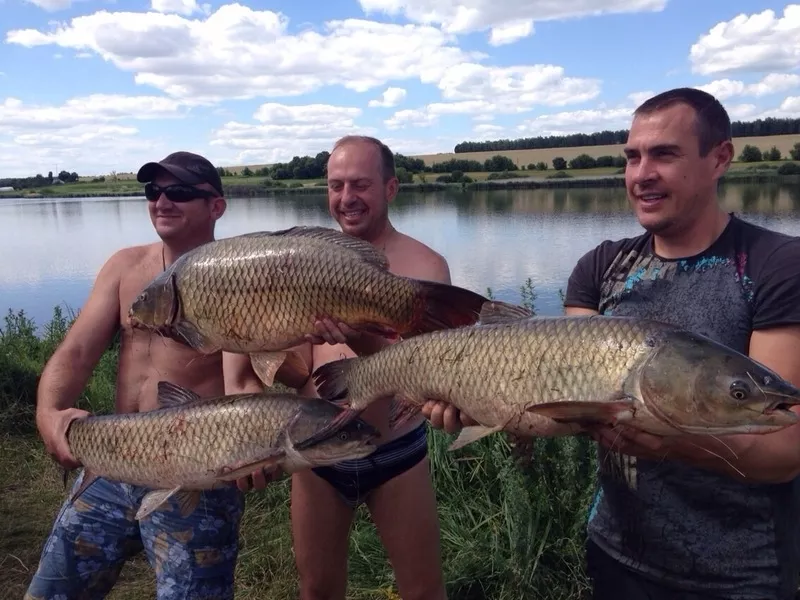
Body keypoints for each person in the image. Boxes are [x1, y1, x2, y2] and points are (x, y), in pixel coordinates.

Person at [423, 87, 800, 600]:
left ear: (720, 158)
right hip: (616, 553)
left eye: (664, 154)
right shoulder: (601, 267)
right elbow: (562, 396)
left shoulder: (776, 264)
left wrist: (676, 444)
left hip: (740, 574)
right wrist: (488, 403)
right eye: (632, 156)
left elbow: (784, 450)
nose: (642, 174)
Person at [25, 151, 267, 600]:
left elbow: (240, 383)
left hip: (195, 475)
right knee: (51, 592)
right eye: (153, 191)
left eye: (179, 192)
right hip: (113, 461)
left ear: (217, 206)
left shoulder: (238, 280)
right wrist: (48, 411)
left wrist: (255, 446)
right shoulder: (124, 267)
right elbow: (76, 352)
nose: (161, 201)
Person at [226, 135, 449, 600]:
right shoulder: (300, 264)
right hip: (317, 453)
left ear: (391, 188)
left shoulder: (426, 266)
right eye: (336, 185)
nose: (347, 198)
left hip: (397, 453)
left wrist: (359, 336)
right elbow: (298, 375)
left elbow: (428, 372)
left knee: (424, 591)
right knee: (318, 590)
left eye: (360, 185)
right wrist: (256, 338)